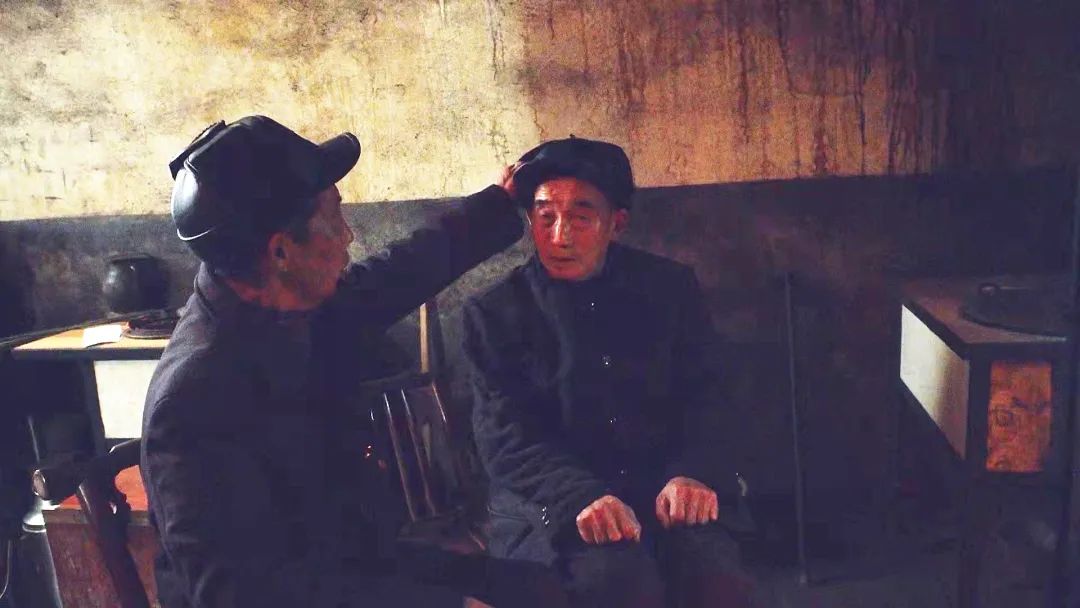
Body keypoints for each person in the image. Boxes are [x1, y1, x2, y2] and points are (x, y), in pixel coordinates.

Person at [140, 115, 525, 608]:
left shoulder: (278, 302)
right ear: (281, 251)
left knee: (539, 591)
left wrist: (498, 204)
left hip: (352, 567)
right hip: (298, 595)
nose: (348, 236)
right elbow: (244, 593)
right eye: (335, 219)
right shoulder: (196, 398)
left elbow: (395, 274)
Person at [465, 137, 756, 607]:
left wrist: (692, 471)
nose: (559, 236)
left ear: (616, 223)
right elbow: (503, 434)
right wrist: (579, 495)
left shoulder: (669, 288)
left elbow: (710, 393)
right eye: (544, 217)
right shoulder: (494, 312)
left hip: (662, 486)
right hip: (555, 497)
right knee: (619, 583)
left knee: (715, 581)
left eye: (580, 218)